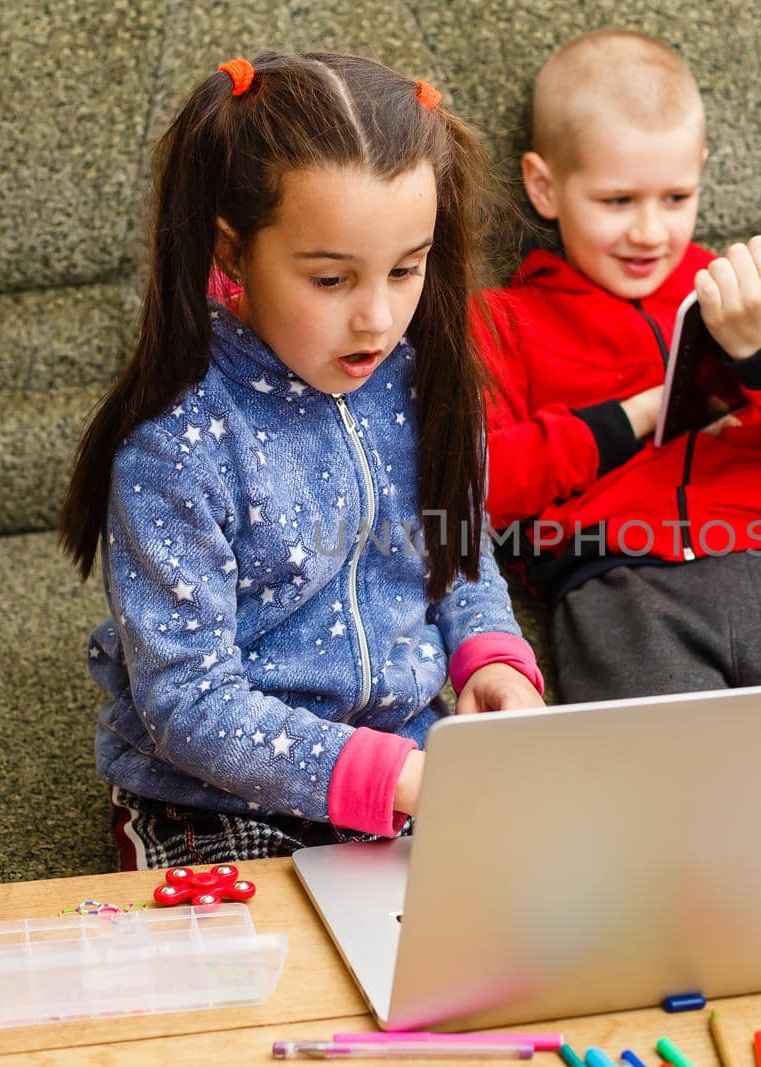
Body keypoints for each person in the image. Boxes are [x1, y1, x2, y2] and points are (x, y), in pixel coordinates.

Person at [57, 52, 544, 870]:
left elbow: (458, 554)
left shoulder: (420, 382)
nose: (378, 318)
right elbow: (188, 701)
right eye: (330, 279)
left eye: (406, 269)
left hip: (411, 763)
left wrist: (492, 655)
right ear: (232, 251)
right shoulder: (174, 445)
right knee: (265, 990)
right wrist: (397, 778)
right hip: (211, 799)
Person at [478, 30, 761, 704]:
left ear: (701, 169)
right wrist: (635, 416)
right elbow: (480, 484)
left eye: (676, 197)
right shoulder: (501, 321)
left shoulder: (743, 289)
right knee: (658, 792)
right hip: (616, 577)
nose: (650, 231)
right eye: (617, 201)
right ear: (545, 186)